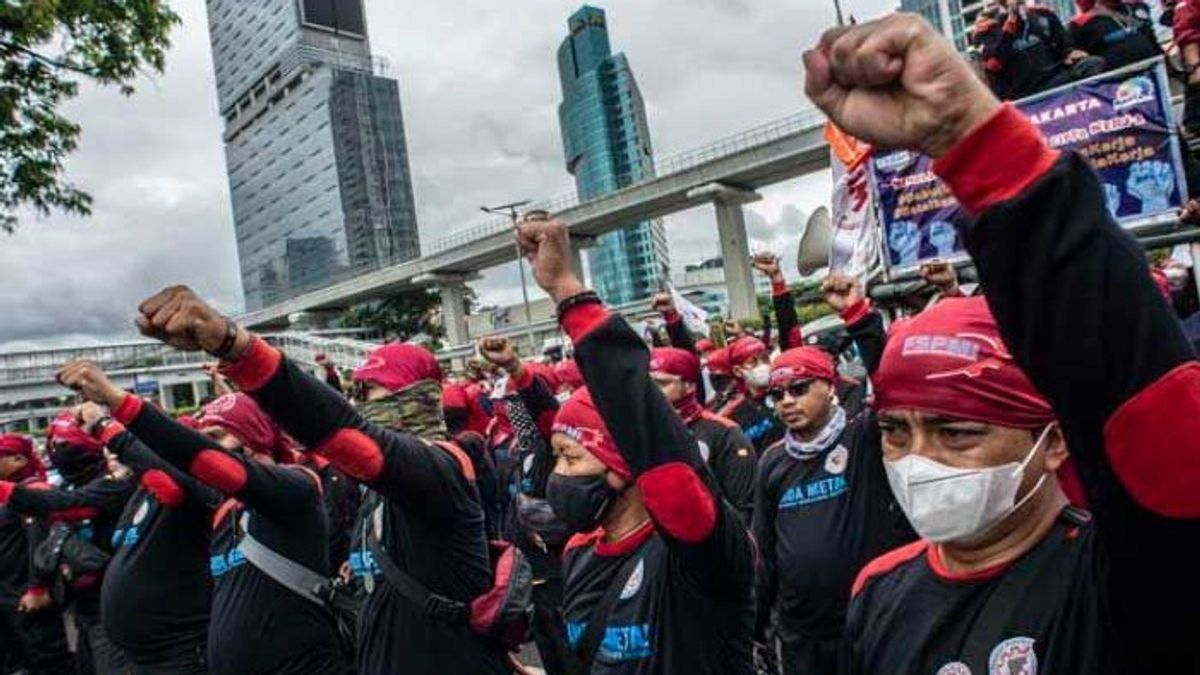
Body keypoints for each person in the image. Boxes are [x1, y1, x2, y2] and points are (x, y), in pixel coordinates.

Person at [804, 13, 1200, 673]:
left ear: (1055, 438)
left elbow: (1153, 417)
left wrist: (974, 142)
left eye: (957, 434)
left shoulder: (1126, 579)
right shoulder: (878, 590)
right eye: (896, 432)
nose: (918, 462)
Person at [131, 301, 511, 675]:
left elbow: (338, 429)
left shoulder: (440, 471)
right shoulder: (375, 492)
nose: (363, 403)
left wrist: (234, 346)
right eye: (358, 393)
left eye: (374, 392)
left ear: (421, 395)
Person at [513, 213, 756, 673]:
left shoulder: (697, 552)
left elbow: (649, 430)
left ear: (624, 465)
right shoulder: (580, 553)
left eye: (570, 458)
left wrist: (566, 289)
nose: (557, 475)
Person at [752, 282, 913, 675]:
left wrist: (858, 315)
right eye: (778, 394)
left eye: (800, 388)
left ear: (830, 386)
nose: (788, 400)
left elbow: (892, 386)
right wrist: (755, 626)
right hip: (802, 635)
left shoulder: (863, 438)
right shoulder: (772, 462)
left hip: (873, 620)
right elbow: (767, 555)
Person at [53, 380, 220, 675]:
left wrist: (104, 425)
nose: (112, 456)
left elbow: (168, 479)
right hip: (141, 653)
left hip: (180, 650)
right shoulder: (134, 490)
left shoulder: (177, 488)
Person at [1, 413, 136, 675]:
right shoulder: (70, 485)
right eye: (53, 444)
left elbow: (59, 513)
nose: (56, 450)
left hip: (107, 606)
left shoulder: (114, 486)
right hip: (82, 606)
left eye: (63, 444)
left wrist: (37, 585)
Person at [649, 347, 756, 525]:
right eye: (649, 384)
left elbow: (744, 507)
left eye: (662, 384)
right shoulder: (646, 435)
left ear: (689, 385)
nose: (653, 391)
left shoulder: (724, 432)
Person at [0, 434, 73, 675]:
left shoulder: (32, 492)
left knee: (45, 660)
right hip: (8, 593)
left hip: (26, 596)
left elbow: (40, 544)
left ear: (19, 459)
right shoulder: (10, 495)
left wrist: (37, 587)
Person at [971, 0, 1101, 100]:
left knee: (1092, 63)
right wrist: (1010, 26)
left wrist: (1071, 52)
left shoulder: (1044, 14)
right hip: (1024, 95)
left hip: (1054, 79)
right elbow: (994, 64)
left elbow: (1065, 46)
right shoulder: (987, 29)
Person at [716, 337, 785, 452]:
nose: (762, 366)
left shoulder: (788, 393)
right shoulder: (731, 415)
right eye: (753, 362)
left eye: (765, 359)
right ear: (738, 371)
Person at [1070, 0, 1161, 72]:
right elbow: (1080, 59)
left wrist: (1169, 70)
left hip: (1154, 72)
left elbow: (1152, 40)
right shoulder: (1081, 23)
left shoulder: (1138, 7)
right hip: (1119, 84)